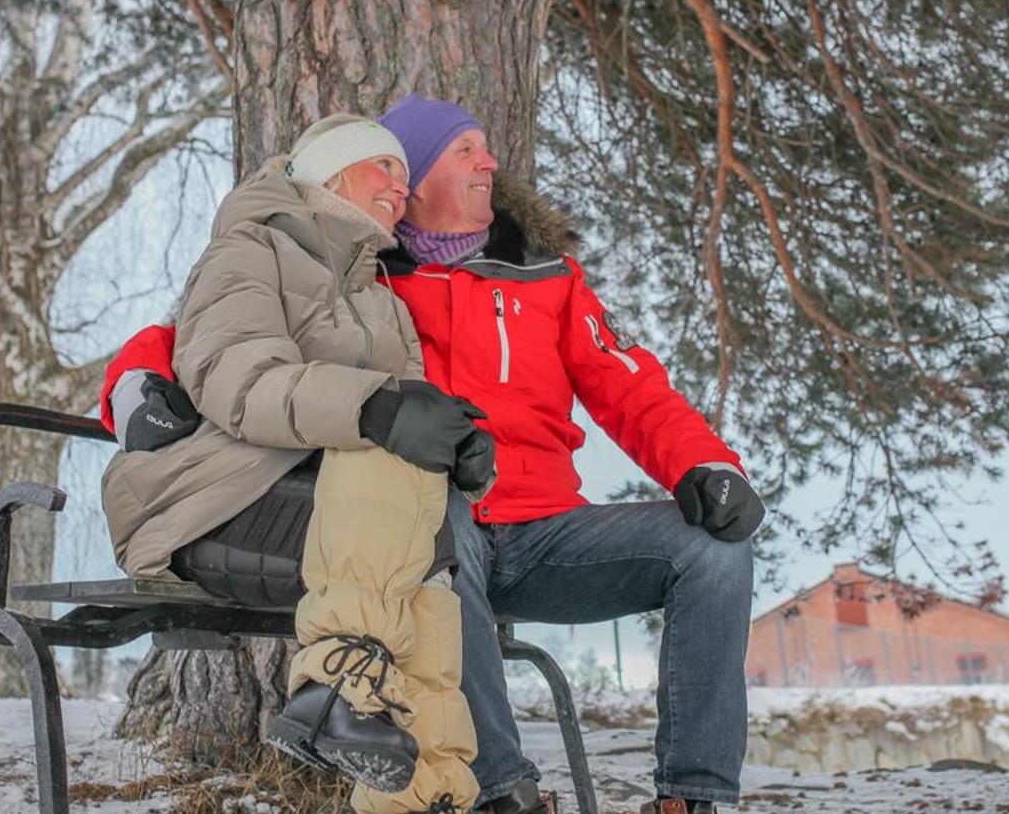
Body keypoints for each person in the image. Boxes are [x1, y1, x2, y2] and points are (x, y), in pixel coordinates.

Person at [104, 96, 764, 814]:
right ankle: (503, 792)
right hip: (431, 521)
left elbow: (630, 386)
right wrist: (131, 381)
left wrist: (707, 465)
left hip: (544, 531)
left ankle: (695, 796)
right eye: (466, 150)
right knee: (440, 536)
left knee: (710, 549)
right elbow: (203, 336)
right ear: (411, 180)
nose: (491, 163)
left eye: (485, 148)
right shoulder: (368, 273)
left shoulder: (547, 278)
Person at [99, 113, 493, 814]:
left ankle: (427, 797)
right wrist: (377, 411)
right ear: (331, 171)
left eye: (406, 175)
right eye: (385, 168)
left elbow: (402, 412)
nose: (401, 190)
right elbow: (235, 376)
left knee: (431, 578)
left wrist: (457, 447)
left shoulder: (381, 300)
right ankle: (337, 686)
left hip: (326, 519)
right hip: (210, 506)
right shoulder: (248, 250)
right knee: (382, 447)